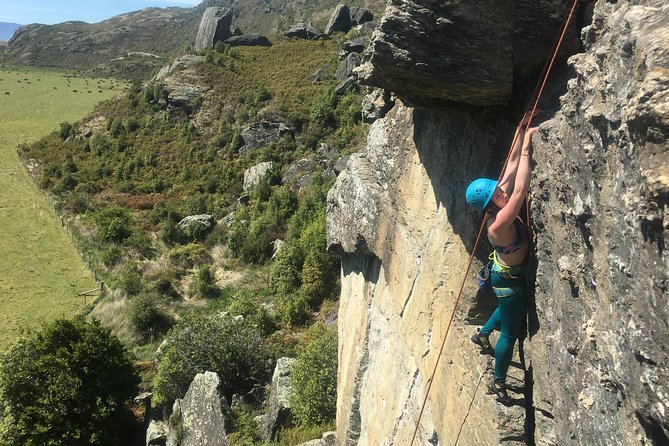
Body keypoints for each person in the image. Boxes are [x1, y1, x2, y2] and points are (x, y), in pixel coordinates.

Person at [465, 121, 538, 403]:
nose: (503, 193)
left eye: (499, 191)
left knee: (507, 311)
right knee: (509, 331)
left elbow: (510, 165)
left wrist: (521, 128)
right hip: (509, 281)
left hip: (508, 275)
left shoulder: (497, 199)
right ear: (491, 206)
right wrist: (530, 148)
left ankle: (482, 334)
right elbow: (520, 192)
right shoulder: (497, 226)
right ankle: (498, 383)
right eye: (498, 195)